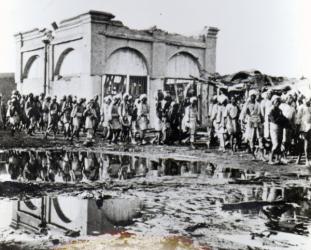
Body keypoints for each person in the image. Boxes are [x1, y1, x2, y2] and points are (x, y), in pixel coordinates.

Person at [240, 90, 265, 159]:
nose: (253, 97)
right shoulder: (247, 104)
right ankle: (253, 154)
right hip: (251, 121)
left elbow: (261, 113)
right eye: (252, 96)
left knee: (260, 137)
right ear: (250, 96)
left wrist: (262, 121)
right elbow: (244, 113)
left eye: (254, 96)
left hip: (258, 121)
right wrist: (243, 122)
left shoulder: (258, 104)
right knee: (251, 138)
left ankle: (262, 155)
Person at [268, 96, 289, 164]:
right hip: (274, 128)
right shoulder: (271, 110)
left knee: (279, 143)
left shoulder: (279, 110)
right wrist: (281, 119)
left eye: (278, 102)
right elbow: (274, 120)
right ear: (273, 102)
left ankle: (277, 159)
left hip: (280, 128)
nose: (278, 103)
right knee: (275, 143)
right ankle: (270, 159)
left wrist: (285, 121)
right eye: (276, 102)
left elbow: (284, 118)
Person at [296, 96, 311, 166]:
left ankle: (307, 159)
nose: (308, 101)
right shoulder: (301, 107)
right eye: (307, 100)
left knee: (308, 144)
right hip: (303, 128)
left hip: (309, 127)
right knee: (302, 143)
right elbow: (298, 118)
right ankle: (302, 158)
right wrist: (298, 129)